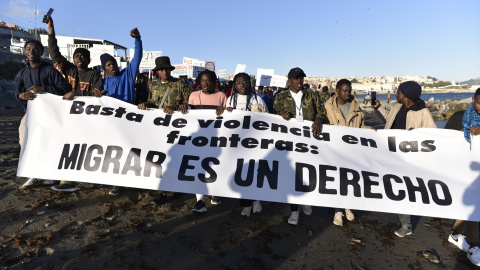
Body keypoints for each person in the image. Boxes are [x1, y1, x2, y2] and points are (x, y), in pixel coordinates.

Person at [46, 15, 104, 192]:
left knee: (89, 147)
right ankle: (67, 180)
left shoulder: (94, 75)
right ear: (73, 58)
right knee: (67, 146)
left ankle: (96, 178)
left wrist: (75, 93)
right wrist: (51, 29)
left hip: (88, 118)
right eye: (76, 56)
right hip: (68, 116)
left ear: (89, 59)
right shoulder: (69, 69)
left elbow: (97, 93)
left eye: (83, 56)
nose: (79, 58)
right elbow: (54, 51)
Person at [373, 81, 436, 237]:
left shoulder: (422, 112)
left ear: (406, 95)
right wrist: (378, 107)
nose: (396, 94)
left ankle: (406, 225)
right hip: (392, 154)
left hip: (409, 159)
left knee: (403, 189)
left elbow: (434, 135)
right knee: (394, 186)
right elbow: (389, 120)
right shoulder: (398, 107)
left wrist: (419, 134)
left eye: (398, 91)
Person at [273, 67, 327, 225]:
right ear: (289, 80)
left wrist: (318, 120)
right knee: (293, 176)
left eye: (301, 78)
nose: (299, 81)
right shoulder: (281, 97)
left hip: (309, 141)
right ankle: (294, 210)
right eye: (296, 78)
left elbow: (321, 111)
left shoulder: (312, 94)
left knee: (308, 173)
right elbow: (271, 115)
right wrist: (280, 113)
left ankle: (307, 200)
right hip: (290, 143)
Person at [14, 39, 71, 188]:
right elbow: (17, 92)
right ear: (25, 51)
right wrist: (20, 96)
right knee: (24, 139)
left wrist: (45, 88)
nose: (31, 52)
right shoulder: (22, 72)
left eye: (35, 49)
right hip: (30, 114)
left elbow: (64, 88)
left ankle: (50, 174)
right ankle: (36, 173)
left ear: (41, 52)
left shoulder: (49, 70)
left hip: (50, 114)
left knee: (48, 143)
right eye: (28, 49)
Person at [217, 72, 268, 217]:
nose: (242, 85)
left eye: (245, 82)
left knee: (255, 172)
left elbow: (267, 120)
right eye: (239, 82)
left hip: (255, 142)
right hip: (237, 143)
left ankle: (256, 199)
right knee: (242, 173)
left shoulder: (258, 99)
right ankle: (246, 204)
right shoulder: (231, 99)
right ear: (235, 85)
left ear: (249, 84)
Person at [324, 79, 373, 226]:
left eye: (349, 90)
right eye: (345, 90)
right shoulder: (328, 106)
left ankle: (347, 206)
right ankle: (338, 211)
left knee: (350, 180)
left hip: (352, 150)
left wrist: (371, 131)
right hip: (335, 150)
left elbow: (361, 126)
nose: (347, 93)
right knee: (338, 180)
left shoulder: (356, 107)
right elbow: (320, 121)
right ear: (337, 91)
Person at [100, 27, 143, 196]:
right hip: (111, 122)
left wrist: (137, 39)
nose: (112, 67)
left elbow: (137, 58)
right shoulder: (102, 84)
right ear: (104, 68)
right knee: (112, 151)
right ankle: (116, 182)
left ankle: (129, 180)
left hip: (128, 120)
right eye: (108, 65)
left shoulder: (127, 74)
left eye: (113, 63)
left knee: (129, 149)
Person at [188, 70, 227, 212]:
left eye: (209, 80)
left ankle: (215, 193)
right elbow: (189, 116)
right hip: (198, 139)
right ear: (199, 82)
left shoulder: (221, 96)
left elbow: (229, 116)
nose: (206, 83)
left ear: (214, 82)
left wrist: (225, 110)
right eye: (203, 80)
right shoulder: (193, 96)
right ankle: (200, 200)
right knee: (198, 167)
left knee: (215, 165)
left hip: (216, 138)